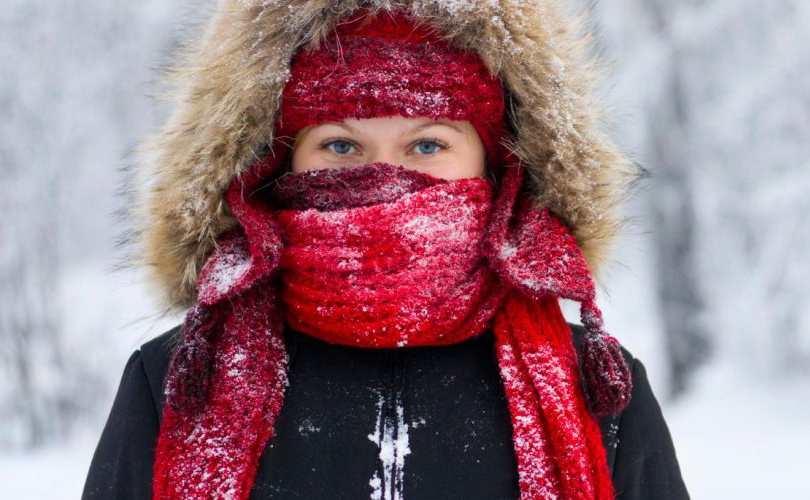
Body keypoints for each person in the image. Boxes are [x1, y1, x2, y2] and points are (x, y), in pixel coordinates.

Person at [82, 2, 689, 499]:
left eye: (427, 146)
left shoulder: (598, 392)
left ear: (497, 167)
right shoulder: (178, 382)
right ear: (279, 163)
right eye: (341, 147)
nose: (383, 176)